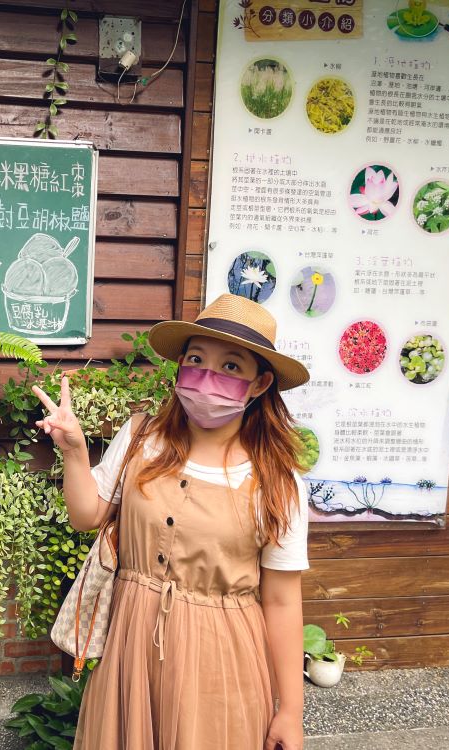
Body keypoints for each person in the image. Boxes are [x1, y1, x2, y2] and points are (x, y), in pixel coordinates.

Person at [32, 293, 310, 750]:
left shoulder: (277, 482)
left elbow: (281, 602)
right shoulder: (144, 437)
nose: (208, 376)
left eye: (231, 367)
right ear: (180, 365)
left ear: (260, 385)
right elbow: (87, 515)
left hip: (221, 657)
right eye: (197, 359)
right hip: (131, 647)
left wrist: (290, 712)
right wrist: (75, 452)